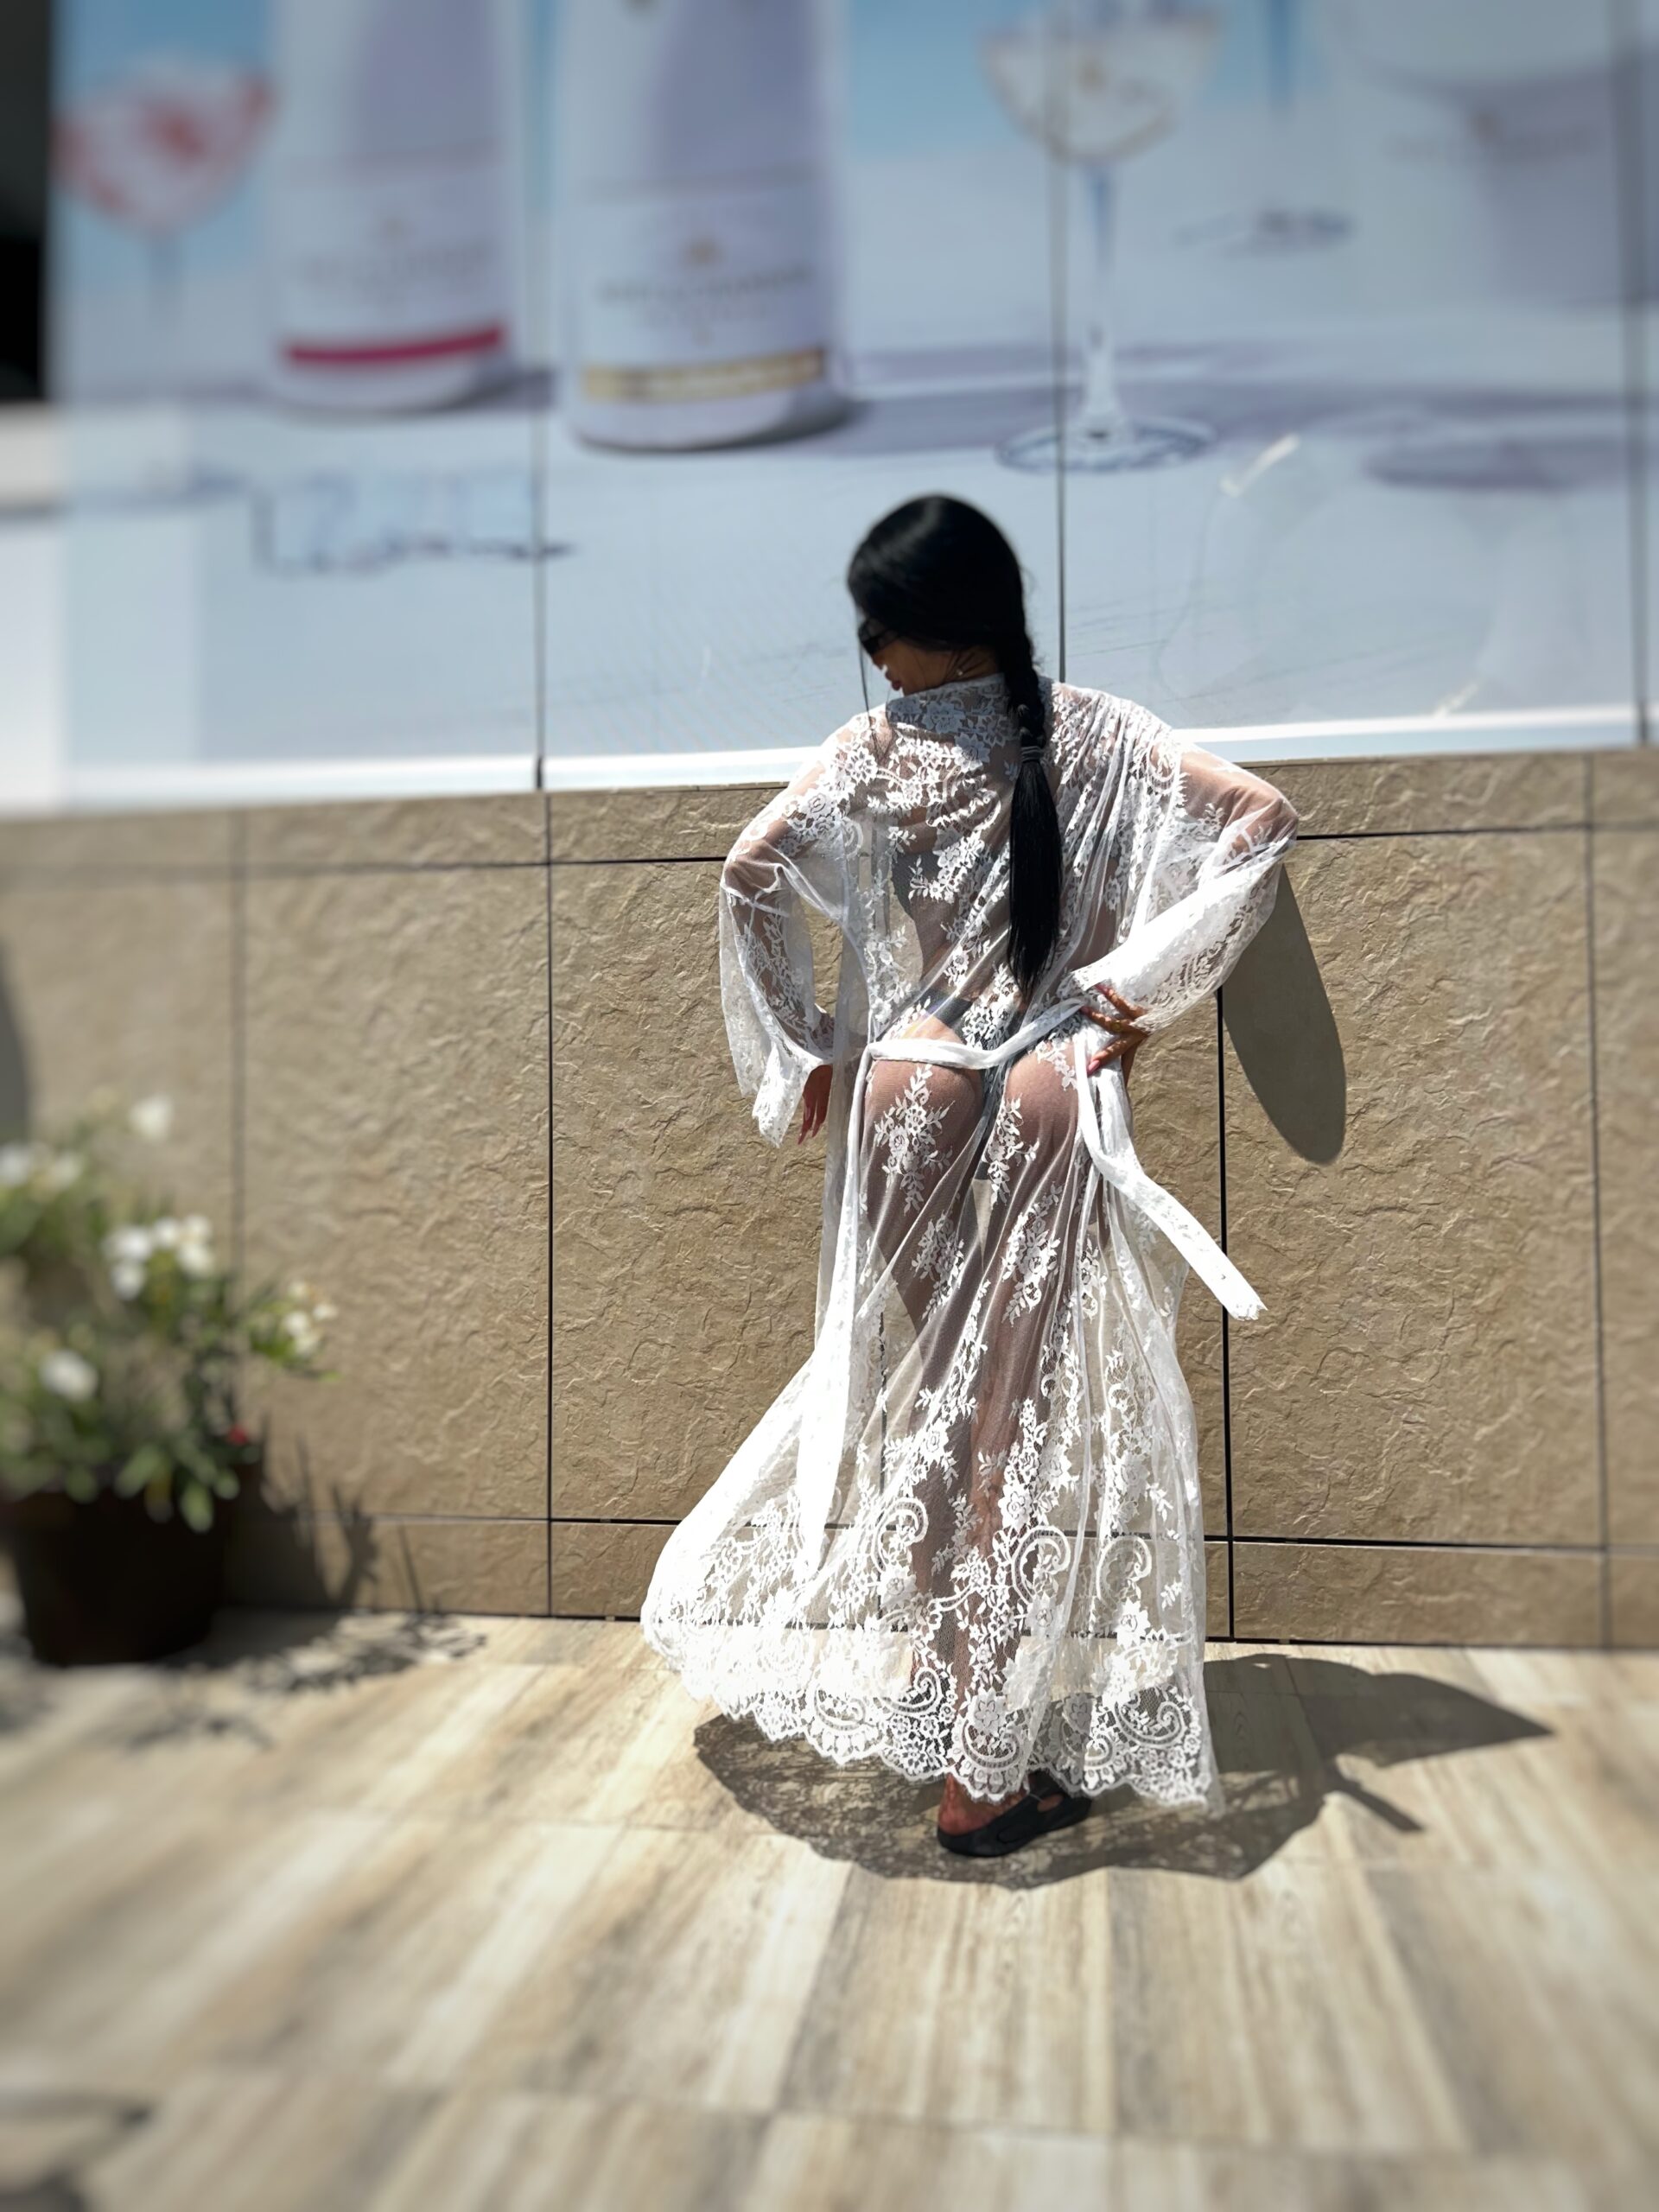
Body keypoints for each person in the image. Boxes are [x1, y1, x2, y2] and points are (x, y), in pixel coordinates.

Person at [641, 493, 1298, 1858]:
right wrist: (1127, 998)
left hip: (915, 1081)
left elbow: (751, 871)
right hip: (1054, 1080)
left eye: (887, 625)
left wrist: (805, 1050)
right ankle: (982, 1769)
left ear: (953, 624)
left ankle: (965, 1730)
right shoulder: (1100, 733)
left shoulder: (873, 754)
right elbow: (1259, 821)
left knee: (938, 1412)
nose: (874, 651)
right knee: (1007, 1423)